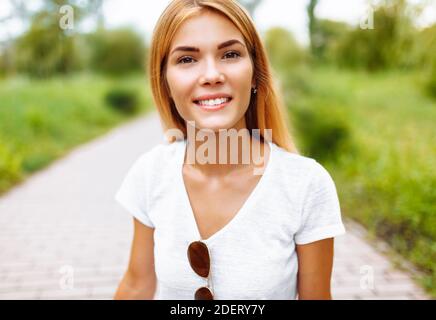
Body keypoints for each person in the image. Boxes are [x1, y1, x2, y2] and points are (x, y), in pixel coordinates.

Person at [113, 0, 346, 300]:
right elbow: (136, 286)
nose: (211, 75)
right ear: (165, 82)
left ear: (254, 73)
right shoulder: (150, 173)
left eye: (230, 54)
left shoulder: (306, 185)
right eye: (187, 59)